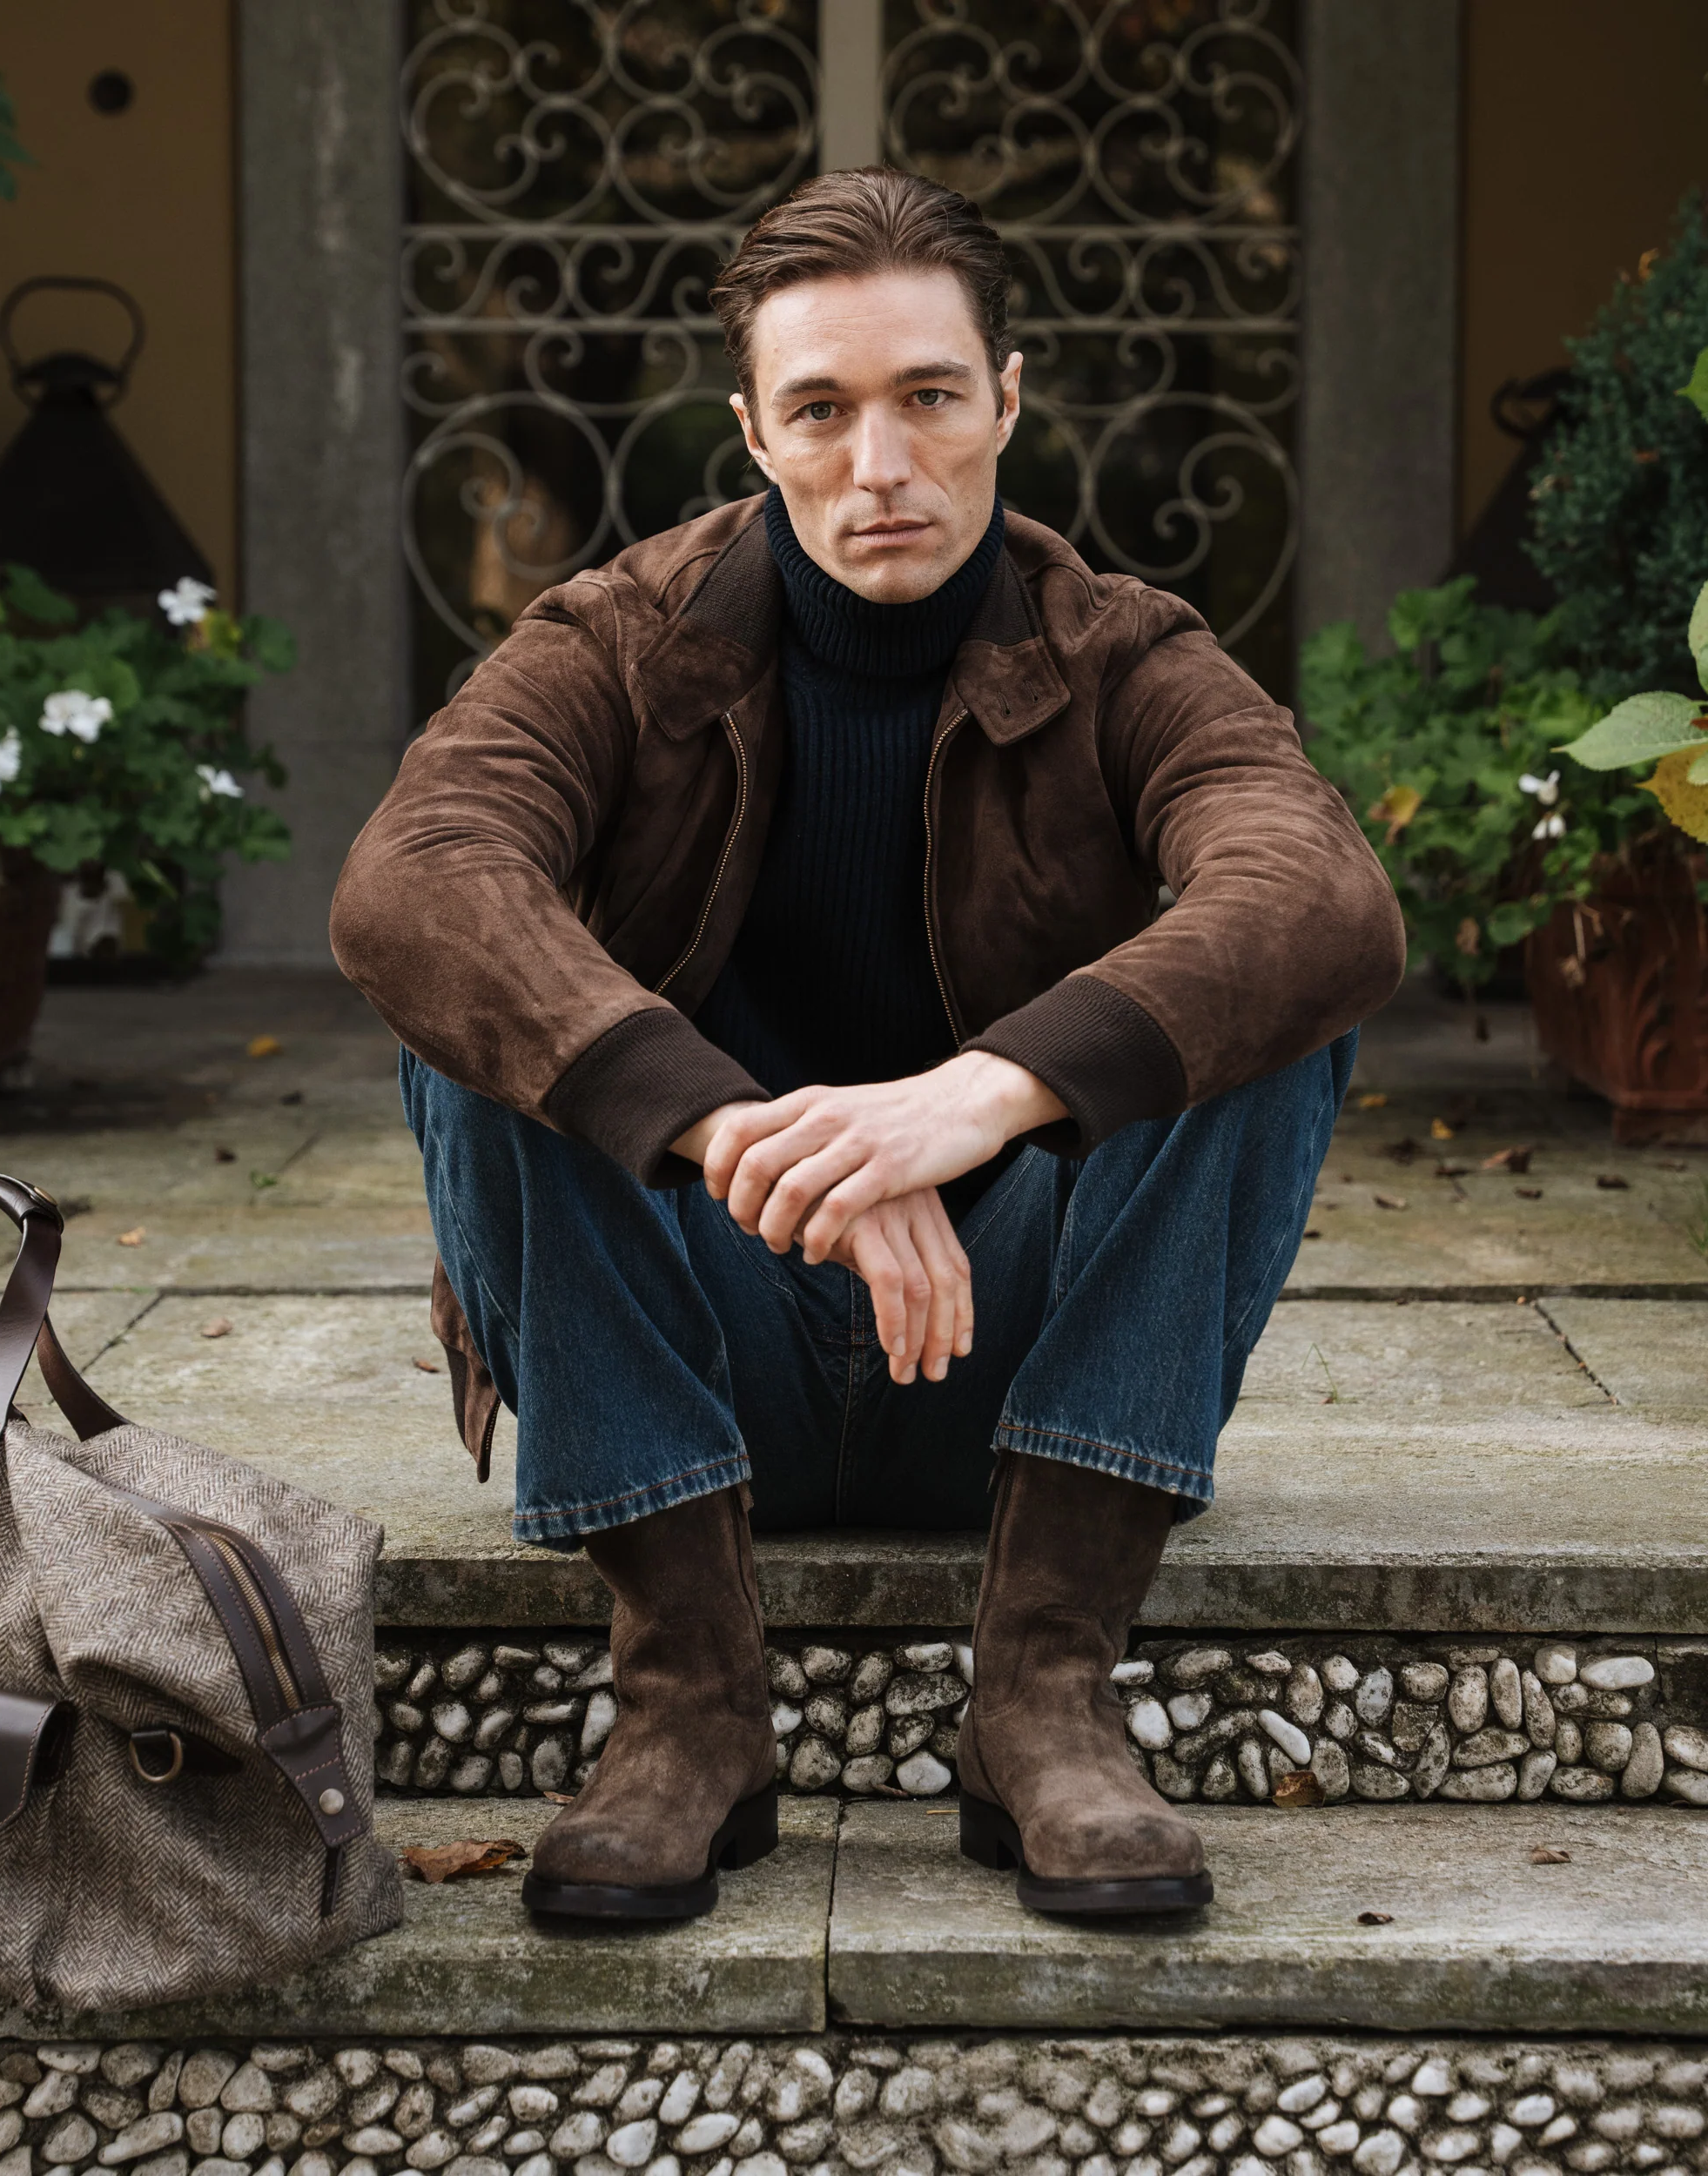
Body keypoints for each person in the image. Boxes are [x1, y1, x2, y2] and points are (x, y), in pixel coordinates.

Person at [332, 168, 1405, 1924]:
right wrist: (735, 1129)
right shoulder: (614, 638)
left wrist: (967, 1104)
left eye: (929, 397)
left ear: (1008, 400)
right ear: (754, 430)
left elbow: (1322, 893)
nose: (880, 463)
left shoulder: (1123, 651)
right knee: (477, 1009)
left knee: (1274, 1006)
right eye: (823, 409)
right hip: (692, 1342)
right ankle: (687, 1698)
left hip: (1016, 1351)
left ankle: (1045, 1686)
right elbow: (411, 878)